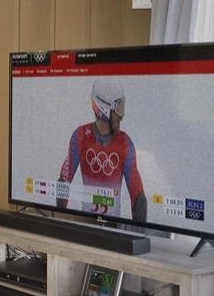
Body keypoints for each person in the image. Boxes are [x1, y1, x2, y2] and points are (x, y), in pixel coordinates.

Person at [57, 78, 147, 224]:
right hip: (86, 225)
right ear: (104, 109)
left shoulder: (125, 143)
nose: (122, 115)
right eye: (119, 108)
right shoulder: (80, 136)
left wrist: (139, 232)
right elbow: (64, 181)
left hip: (112, 229)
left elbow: (137, 195)